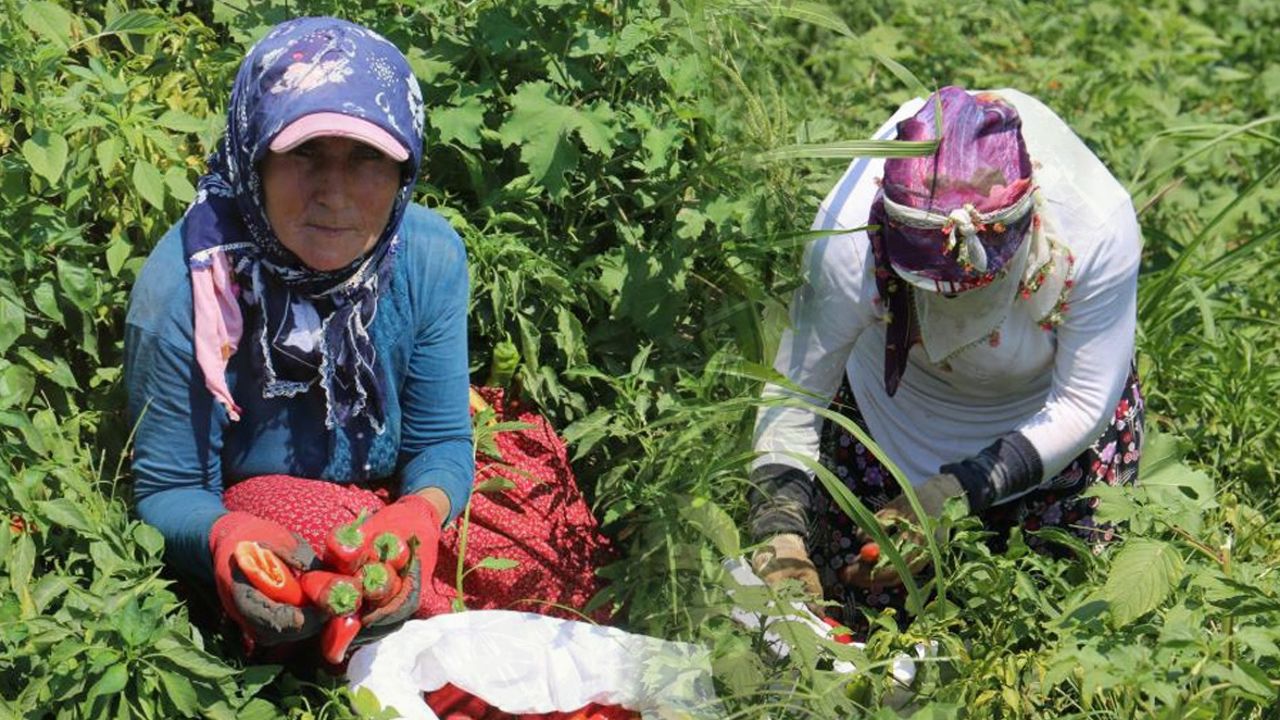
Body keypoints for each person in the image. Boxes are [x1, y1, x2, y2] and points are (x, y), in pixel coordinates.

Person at [125, 17, 612, 657]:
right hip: (269, 517)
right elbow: (169, 490)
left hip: (389, 506)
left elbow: (440, 439)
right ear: (254, 156)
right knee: (300, 540)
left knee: (538, 557)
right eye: (303, 154)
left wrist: (421, 512)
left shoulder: (428, 255)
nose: (335, 194)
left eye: (367, 159)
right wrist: (223, 537)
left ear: (404, 167)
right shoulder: (192, 287)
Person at [748, 87, 1144, 629]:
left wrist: (948, 495)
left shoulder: (1094, 228)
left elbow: (1080, 403)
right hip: (889, 418)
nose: (946, 309)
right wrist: (780, 535)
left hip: (1046, 431)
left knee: (1046, 629)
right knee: (858, 627)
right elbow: (796, 393)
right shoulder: (848, 236)